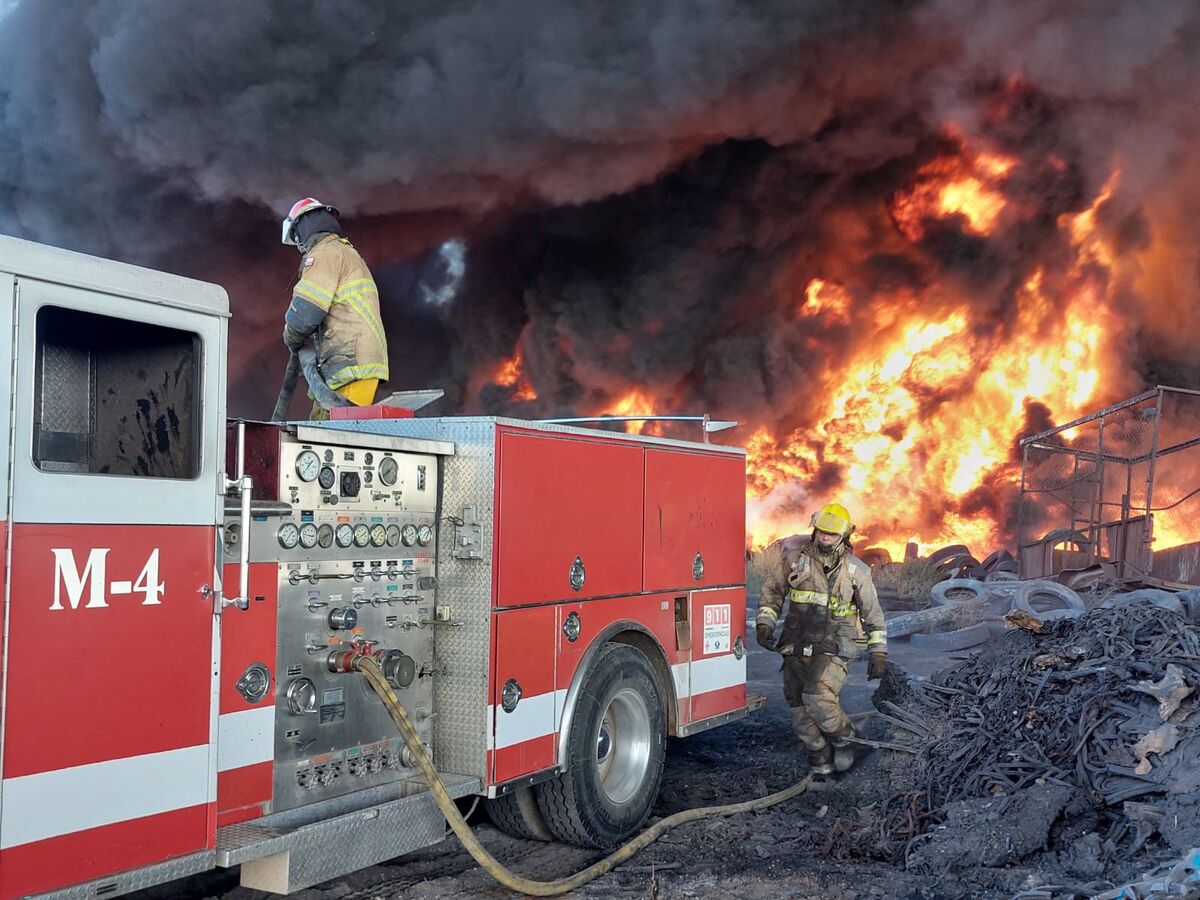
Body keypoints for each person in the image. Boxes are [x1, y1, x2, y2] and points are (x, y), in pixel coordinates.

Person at [755, 503, 888, 777]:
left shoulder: (856, 571)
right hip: (796, 641)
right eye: (822, 532)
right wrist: (764, 624)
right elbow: (773, 592)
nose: (825, 538)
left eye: (832, 534)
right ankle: (820, 756)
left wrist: (878, 653)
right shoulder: (795, 559)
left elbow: (873, 614)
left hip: (836, 643)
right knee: (797, 705)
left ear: (844, 536)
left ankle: (850, 741)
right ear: (815, 530)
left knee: (817, 697)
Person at [280, 198, 388, 419]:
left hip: (350, 363)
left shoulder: (325, 253)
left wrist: (290, 336)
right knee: (320, 423)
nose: (299, 245)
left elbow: (305, 312)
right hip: (351, 363)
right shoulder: (343, 252)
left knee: (329, 430)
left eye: (296, 236)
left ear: (301, 227)